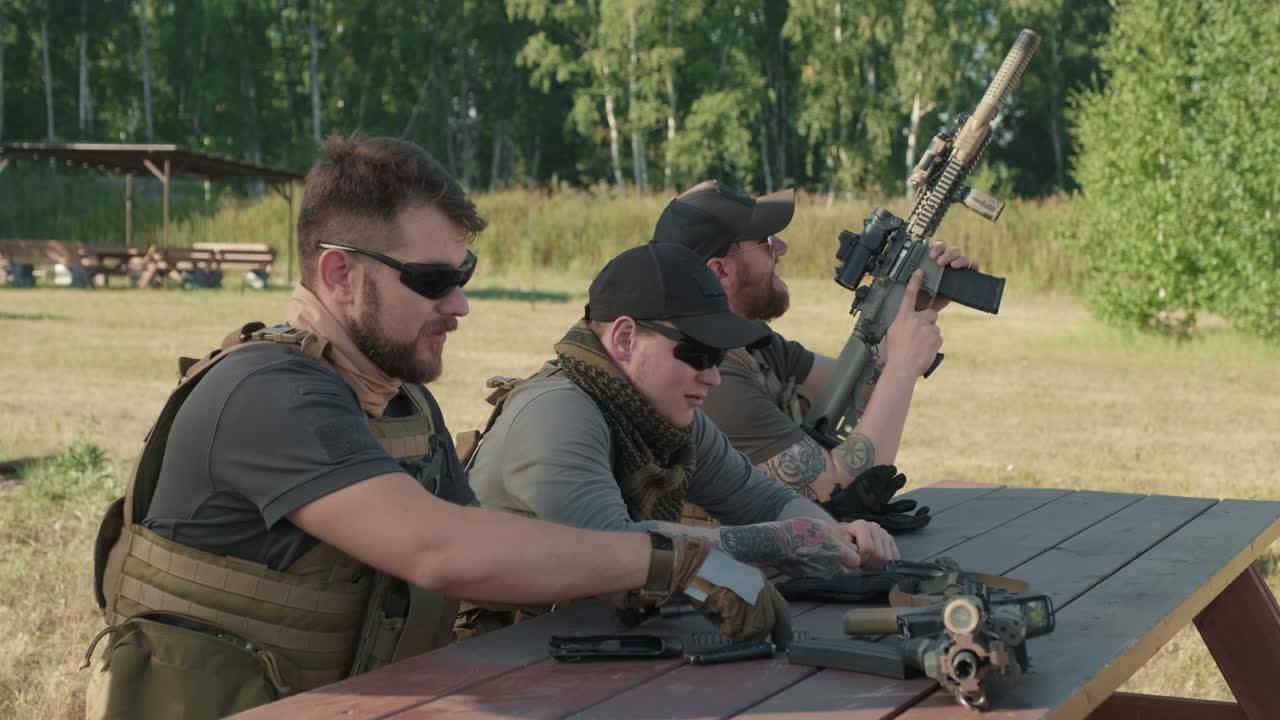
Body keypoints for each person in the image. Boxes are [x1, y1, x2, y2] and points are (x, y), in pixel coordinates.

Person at [84, 137, 789, 720]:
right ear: (340, 275)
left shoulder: (404, 406)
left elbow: (488, 566)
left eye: (463, 275)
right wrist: (674, 562)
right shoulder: (269, 393)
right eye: (431, 281)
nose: (460, 304)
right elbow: (441, 551)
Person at [465, 242, 899, 588]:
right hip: (489, 654)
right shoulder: (558, 413)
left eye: (718, 356)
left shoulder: (662, 416)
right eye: (697, 353)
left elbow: (767, 501)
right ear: (625, 338)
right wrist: (781, 542)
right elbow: (613, 549)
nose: (713, 376)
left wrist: (837, 538)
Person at [648, 180, 974, 518]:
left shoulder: (750, 343)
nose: (782, 248)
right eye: (766, 241)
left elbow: (854, 387)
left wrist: (907, 309)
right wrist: (902, 368)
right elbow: (832, 489)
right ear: (720, 270)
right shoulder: (707, 372)